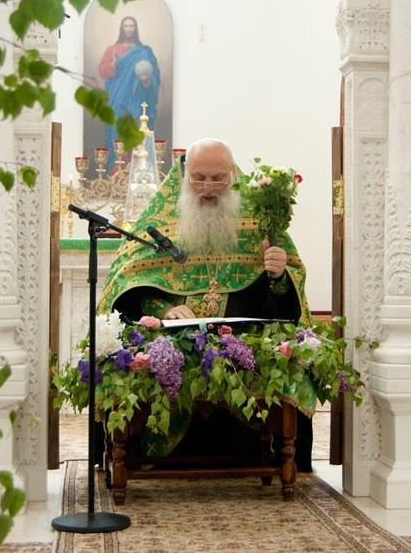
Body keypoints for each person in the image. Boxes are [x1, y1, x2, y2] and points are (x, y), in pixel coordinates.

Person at [97, 137, 315, 471]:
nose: (208, 188)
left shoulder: (261, 221)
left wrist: (280, 274)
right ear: (184, 176)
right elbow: (125, 285)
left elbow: (286, 298)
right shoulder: (159, 219)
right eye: (198, 178)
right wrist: (162, 309)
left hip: (243, 346)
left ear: (233, 175)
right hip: (173, 342)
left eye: (218, 178)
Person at [97, 16, 161, 170]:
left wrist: (147, 81)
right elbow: (102, 71)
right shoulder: (112, 50)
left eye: (131, 26)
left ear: (135, 29)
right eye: (126, 26)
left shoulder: (144, 51)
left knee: (137, 130)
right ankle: (115, 173)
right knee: (116, 132)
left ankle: (139, 172)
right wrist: (113, 64)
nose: (128, 29)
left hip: (137, 100)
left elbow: (155, 76)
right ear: (122, 28)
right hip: (117, 99)